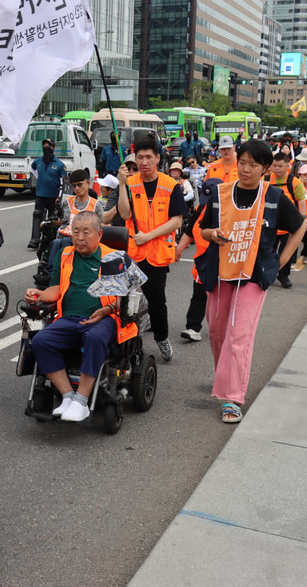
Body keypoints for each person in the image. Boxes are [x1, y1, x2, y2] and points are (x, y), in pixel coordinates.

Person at [196, 139, 307, 423]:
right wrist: (211, 235)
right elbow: (204, 227)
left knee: (239, 335)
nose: (245, 169)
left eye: (253, 165)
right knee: (218, 332)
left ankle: (232, 397)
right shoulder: (220, 193)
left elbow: (300, 226)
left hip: (254, 277)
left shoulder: (274, 196)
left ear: (266, 169)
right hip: (220, 274)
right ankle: (224, 375)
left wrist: (280, 263)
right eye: (242, 162)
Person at [25, 211, 142, 422]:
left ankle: (82, 400)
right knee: (40, 341)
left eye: (86, 232)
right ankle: (68, 396)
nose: (79, 237)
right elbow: (57, 288)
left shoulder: (115, 257)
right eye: (75, 232)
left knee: (95, 338)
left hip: (105, 318)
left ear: (99, 234)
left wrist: (107, 310)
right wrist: (40, 294)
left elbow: (132, 296)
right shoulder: (65, 255)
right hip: (69, 318)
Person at [117, 136, 187, 361]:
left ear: (158, 158)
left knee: (157, 301)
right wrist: (121, 184)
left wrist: (148, 236)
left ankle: (162, 338)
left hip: (156, 254)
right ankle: (125, 339)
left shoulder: (170, 185)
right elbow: (126, 214)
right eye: (140, 158)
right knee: (123, 300)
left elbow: (176, 221)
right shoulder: (130, 182)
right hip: (133, 252)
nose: (144, 162)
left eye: (149, 157)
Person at [176, 178, 222, 342]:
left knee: (222, 298)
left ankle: (225, 328)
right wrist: (178, 250)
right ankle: (193, 328)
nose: (207, 203)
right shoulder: (200, 208)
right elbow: (188, 232)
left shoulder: (228, 211)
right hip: (203, 262)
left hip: (224, 262)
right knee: (199, 295)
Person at [41, 168, 102, 280]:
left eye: (79, 185)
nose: (77, 189)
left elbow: (99, 227)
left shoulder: (96, 205)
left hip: (82, 239)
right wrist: (49, 223)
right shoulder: (67, 202)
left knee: (62, 243)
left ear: (88, 183)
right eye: (74, 186)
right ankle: (49, 273)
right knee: (56, 242)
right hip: (63, 237)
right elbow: (62, 222)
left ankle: (55, 274)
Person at [264, 152, 306, 288]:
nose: (276, 169)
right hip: (270, 224)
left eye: (280, 166)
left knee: (286, 252)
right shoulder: (266, 180)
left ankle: (283, 276)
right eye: (274, 166)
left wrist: (302, 221)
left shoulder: (295, 182)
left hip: (287, 224)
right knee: (268, 251)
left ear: (287, 166)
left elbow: (301, 201)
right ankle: (267, 275)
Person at [28, 138, 67, 249]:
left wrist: (59, 196)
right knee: (37, 215)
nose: (46, 148)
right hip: (40, 194)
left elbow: (63, 183)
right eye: (44, 146)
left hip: (53, 196)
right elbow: (32, 169)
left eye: (48, 146)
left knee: (52, 218)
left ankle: (51, 239)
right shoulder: (38, 162)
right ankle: (35, 239)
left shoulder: (59, 165)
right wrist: (40, 178)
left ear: (53, 149)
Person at [102, 157, 136, 226]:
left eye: (135, 168)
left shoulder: (144, 190)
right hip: (120, 232)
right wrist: (120, 204)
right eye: (128, 168)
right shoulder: (117, 191)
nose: (131, 171)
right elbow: (104, 219)